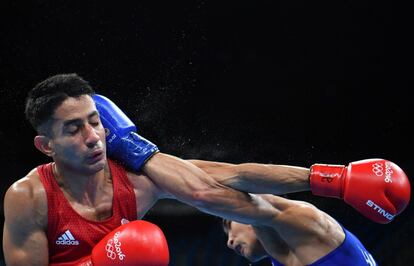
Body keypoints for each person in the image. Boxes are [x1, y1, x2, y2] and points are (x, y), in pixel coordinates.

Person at [3, 73, 410, 265]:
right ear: (46, 146)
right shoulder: (30, 198)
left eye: (95, 121)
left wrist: (331, 180)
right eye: (73, 129)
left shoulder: (136, 179)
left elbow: (223, 177)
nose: (92, 136)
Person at [222, 194, 378, 266]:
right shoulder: (292, 254)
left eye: (230, 225)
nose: (229, 241)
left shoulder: (311, 222)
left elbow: (254, 204)